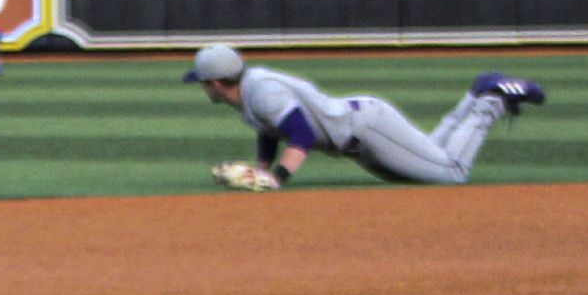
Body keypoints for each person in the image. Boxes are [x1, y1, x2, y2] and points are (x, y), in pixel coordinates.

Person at [184, 44, 542, 189]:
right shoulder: (250, 90)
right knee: (430, 162)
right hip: (360, 136)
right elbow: (271, 129)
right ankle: (475, 94)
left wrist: (276, 178)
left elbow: (301, 134)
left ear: (215, 82)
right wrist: (260, 169)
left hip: (368, 128)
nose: (202, 88)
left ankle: (492, 100)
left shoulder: (263, 91)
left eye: (202, 82)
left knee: (452, 174)